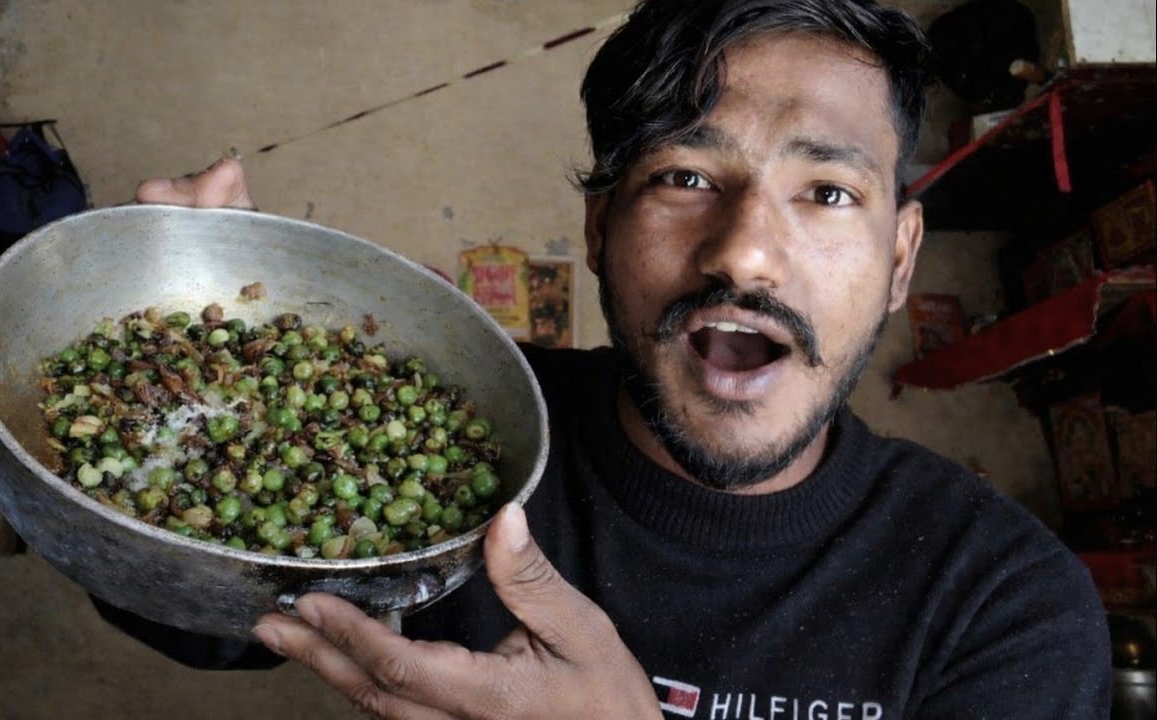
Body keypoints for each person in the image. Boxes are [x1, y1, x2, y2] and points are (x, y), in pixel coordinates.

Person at [127, 1, 1112, 717]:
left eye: (825, 192)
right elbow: (207, 622)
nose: (742, 252)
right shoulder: (443, 425)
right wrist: (197, 391)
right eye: (683, 175)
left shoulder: (1006, 610)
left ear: (899, 259)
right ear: (598, 228)